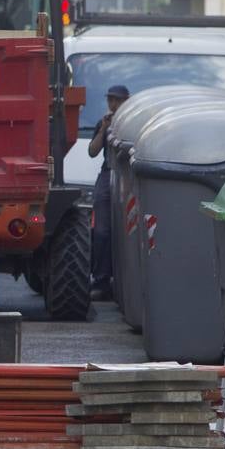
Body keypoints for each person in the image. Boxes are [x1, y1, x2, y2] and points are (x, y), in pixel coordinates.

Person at [89, 84, 129, 301]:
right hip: (108, 173)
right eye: (110, 100)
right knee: (102, 230)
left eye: (117, 100)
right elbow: (92, 152)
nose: (113, 105)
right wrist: (104, 129)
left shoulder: (132, 124)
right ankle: (101, 279)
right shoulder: (103, 123)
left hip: (126, 175)